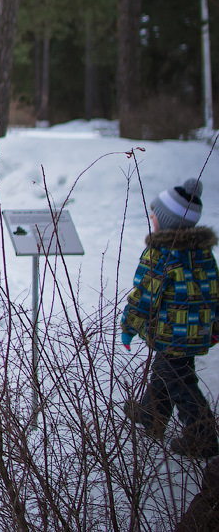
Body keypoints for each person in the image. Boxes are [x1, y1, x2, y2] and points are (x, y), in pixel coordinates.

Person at [121, 177, 219, 459]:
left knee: (179, 380)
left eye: (155, 213)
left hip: (171, 332)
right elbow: (215, 291)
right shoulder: (203, 253)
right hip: (196, 330)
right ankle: (151, 414)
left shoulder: (160, 254)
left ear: (166, 221)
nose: (152, 217)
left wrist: (129, 326)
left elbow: (144, 296)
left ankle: (203, 438)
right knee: (167, 370)